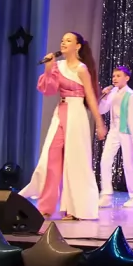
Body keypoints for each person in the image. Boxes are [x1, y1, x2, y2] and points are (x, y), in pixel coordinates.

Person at [20, 32, 106, 220]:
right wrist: (48, 68)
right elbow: (48, 90)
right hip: (60, 112)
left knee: (75, 161)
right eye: (62, 40)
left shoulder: (81, 69)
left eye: (68, 40)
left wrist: (99, 122)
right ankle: (45, 207)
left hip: (76, 114)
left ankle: (76, 209)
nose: (63, 43)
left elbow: (91, 97)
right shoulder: (57, 66)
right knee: (50, 158)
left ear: (78, 46)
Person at [97, 66, 133, 208]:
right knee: (105, 160)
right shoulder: (112, 93)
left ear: (127, 78)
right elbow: (102, 110)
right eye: (113, 76)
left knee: (129, 165)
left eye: (118, 76)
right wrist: (104, 97)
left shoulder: (131, 95)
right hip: (114, 130)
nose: (115, 78)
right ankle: (106, 195)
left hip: (127, 131)